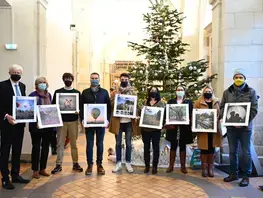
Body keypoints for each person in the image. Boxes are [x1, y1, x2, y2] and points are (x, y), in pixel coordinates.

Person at [220, 69, 258, 187]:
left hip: (245, 128)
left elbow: (254, 109)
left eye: (241, 77)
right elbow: (222, 107)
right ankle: (233, 174)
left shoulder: (251, 92)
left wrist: (243, 121)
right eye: (236, 77)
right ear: (233, 78)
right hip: (231, 128)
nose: (238, 79)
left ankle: (246, 176)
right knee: (232, 151)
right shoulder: (227, 92)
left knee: (246, 152)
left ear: (244, 78)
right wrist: (227, 118)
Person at [0, 64, 30, 189]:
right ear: (9, 72)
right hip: (7, 124)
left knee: (17, 150)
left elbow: (23, 103)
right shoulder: (2, 86)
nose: (17, 74)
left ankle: (16, 174)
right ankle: (5, 178)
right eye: (15, 72)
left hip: (19, 124)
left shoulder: (22, 86)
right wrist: (6, 116)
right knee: (5, 152)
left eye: (19, 72)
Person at [51, 73, 83, 174]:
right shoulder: (58, 92)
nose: (68, 80)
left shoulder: (77, 93)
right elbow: (53, 106)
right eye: (66, 78)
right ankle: (58, 164)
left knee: (74, 144)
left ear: (72, 80)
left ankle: (75, 163)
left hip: (73, 121)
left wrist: (79, 112)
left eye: (69, 78)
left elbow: (81, 107)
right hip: (61, 122)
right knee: (60, 144)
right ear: (63, 79)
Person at [81, 72, 111, 175]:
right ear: (90, 79)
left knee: (100, 144)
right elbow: (81, 107)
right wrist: (82, 119)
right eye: (92, 78)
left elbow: (108, 107)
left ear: (99, 79)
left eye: (96, 78)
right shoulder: (85, 92)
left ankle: (99, 164)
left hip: (100, 123)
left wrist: (107, 120)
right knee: (89, 144)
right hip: (89, 123)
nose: (94, 80)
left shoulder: (104, 92)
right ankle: (89, 165)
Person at [109, 73, 137, 173]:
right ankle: (119, 163)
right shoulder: (115, 92)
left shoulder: (133, 91)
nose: (124, 81)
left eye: (126, 79)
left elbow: (135, 104)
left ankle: (128, 162)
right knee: (118, 143)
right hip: (118, 122)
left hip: (129, 121)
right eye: (122, 79)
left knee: (129, 143)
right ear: (120, 80)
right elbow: (111, 104)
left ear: (128, 80)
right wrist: (117, 99)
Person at [194, 85, 222, 178]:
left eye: (209, 91)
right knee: (204, 149)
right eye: (206, 91)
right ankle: (204, 169)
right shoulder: (198, 102)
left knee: (212, 148)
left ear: (212, 92)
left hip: (214, 130)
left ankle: (210, 168)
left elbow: (220, 113)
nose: (208, 93)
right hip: (203, 130)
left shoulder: (217, 102)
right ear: (203, 92)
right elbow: (194, 115)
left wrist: (218, 118)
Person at [29, 77, 53, 179]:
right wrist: (37, 121)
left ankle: (42, 168)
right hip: (36, 126)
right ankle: (35, 169)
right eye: (40, 83)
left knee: (45, 147)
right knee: (36, 147)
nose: (42, 84)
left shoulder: (49, 95)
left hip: (47, 126)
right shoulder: (32, 96)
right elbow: (29, 110)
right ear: (36, 85)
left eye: (44, 82)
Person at [165, 86, 193, 174]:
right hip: (173, 128)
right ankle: (171, 166)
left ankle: (183, 166)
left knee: (182, 146)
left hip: (184, 128)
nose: (180, 91)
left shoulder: (188, 102)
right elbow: (167, 113)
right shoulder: (171, 102)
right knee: (173, 145)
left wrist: (189, 119)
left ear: (184, 92)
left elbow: (192, 113)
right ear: (176, 91)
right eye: (178, 90)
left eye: (181, 90)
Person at [141, 87, 165, 174]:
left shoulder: (161, 103)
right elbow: (142, 113)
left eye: (155, 91)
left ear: (157, 92)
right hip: (145, 130)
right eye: (151, 91)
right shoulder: (145, 102)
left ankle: (155, 166)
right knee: (146, 148)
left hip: (156, 130)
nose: (153, 92)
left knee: (156, 148)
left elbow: (163, 116)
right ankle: (147, 166)